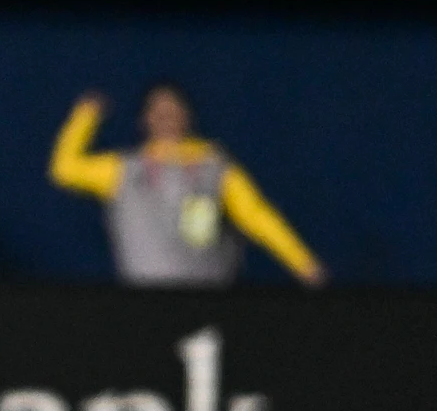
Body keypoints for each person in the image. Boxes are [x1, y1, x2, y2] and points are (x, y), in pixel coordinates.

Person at [51, 85, 325, 289]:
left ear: (187, 116)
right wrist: (85, 116)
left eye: (173, 109)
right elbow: (64, 170)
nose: (166, 116)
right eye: (158, 110)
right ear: (145, 120)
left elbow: (257, 216)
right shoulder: (122, 170)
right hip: (143, 304)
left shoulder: (215, 168)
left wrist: (304, 264)